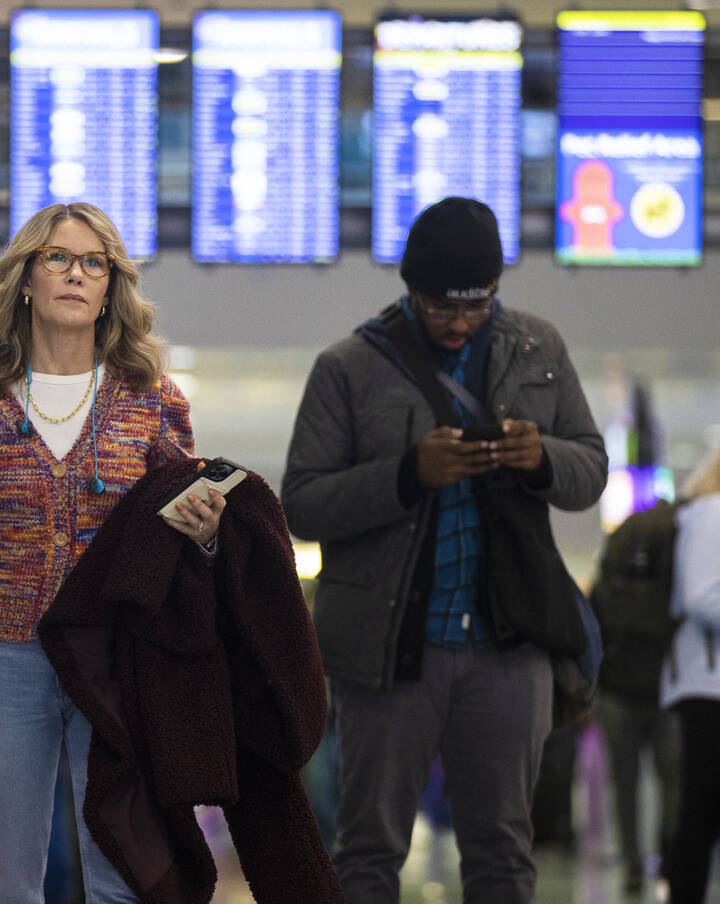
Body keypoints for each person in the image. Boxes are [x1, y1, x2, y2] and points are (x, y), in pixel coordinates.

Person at [0, 202, 225, 904]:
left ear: (110, 288)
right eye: (57, 258)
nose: (76, 274)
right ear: (26, 279)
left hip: (116, 657)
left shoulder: (151, 400)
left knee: (121, 871)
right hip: (3, 662)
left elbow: (184, 518)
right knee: (8, 880)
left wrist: (206, 526)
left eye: (94, 262)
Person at [282, 196, 607, 904]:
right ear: (412, 290)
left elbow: (591, 468)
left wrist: (542, 457)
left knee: (502, 852)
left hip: (509, 647)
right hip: (390, 649)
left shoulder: (539, 349)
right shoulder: (348, 367)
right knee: (368, 850)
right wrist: (406, 475)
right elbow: (301, 503)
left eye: (477, 305)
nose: (461, 323)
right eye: (442, 308)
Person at [591, 499, 682, 894]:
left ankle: (633, 864)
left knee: (624, 785)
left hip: (617, 690)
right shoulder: (676, 552)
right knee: (672, 783)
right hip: (666, 688)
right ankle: (668, 861)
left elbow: (593, 622)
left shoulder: (615, 558)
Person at [661, 448, 720, 904]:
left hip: (706, 681)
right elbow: (700, 597)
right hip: (706, 686)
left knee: (702, 811)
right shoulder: (710, 514)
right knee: (700, 811)